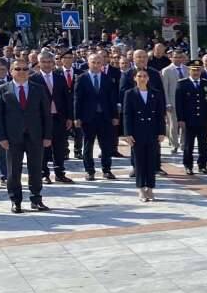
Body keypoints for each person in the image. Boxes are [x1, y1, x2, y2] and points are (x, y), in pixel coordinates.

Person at [0, 59, 52, 212]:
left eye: (25, 69)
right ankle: (15, 200)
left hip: (35, 136)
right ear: (11, 71)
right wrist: (2, 138)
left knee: (35, 169)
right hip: (12, 138)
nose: (21, 72)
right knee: (13, 171)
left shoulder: (38, 89)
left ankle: (36, 199)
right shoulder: (3, 89)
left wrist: (47, 136)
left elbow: (46, 114)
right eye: (17, 69)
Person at [74, 51, 120, 181]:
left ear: (102, 64)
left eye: (98, 62)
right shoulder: (81, 78)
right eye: (93, 62)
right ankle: (90, 171)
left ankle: (107, 170)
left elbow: (112, 99)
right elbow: (77, 99)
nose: (96, 65)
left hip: (105, 117)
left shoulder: (107, 79)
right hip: (87, 118)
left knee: (106, 146)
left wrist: (115, 116)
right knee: (88, 145)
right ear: (88, 63)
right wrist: (77, 117)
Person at [122, 67, 166, 202]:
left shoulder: (156, 93)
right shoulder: (130, 93)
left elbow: (160, 114)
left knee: (151, 162)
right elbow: (127, 115)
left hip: (152, 132)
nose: (142, 79)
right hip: (137, 132)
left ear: (148, 78)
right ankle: (141, 189)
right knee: (139, 162)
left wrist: (161, 132)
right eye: (139, 76)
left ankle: (151, 189)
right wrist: (128, 134)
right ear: (135, 78)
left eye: (144, 76)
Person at [31, 50, 73, 184]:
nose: (47, 65)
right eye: (44, 62)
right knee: (43, 148)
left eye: (49, 62)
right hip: (41, 120)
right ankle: (44, 173)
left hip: (59, 118)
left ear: (53, 63)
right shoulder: (33, 79)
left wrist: (69, 117)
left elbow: (67, 99)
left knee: (60, 148)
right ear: (39, 63)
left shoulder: (59, 77)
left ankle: (60, 173)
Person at [175, 59, 207, 175]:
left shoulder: (206, 83)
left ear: (201, 70)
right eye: (193, 70)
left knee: (203, 145)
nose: (196, 72)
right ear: (189, 70)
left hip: (203, 119)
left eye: (198, 69)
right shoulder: (182, 83)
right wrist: (181, 119)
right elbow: (179, 104)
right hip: (188, 120)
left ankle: (202, 165)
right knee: (188, 145)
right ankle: (188, 166)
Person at [161, 49, 188, 156]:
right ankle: (174, 145)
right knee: (173, 125)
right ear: (171, 58)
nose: (178, 59)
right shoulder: (166, 70)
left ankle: (183, 144)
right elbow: (164, 88)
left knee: (185, 124)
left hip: (186, 102)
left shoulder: (187, 69)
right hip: (172, 102)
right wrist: (167, 103)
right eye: (175, 57)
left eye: (180, 57)